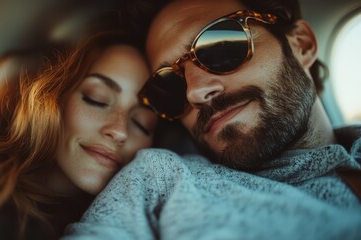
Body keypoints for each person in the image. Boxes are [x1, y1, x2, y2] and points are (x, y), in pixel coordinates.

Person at [62, 0, 361, 239]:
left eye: (220, 46)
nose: (195, 92)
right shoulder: (161, 181)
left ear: (302, 44)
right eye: (170, 85)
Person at [0, 29, 157, 240]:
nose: (119, 131)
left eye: (141, 123)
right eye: (96, 99)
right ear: (53, 98)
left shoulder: (110, 229)